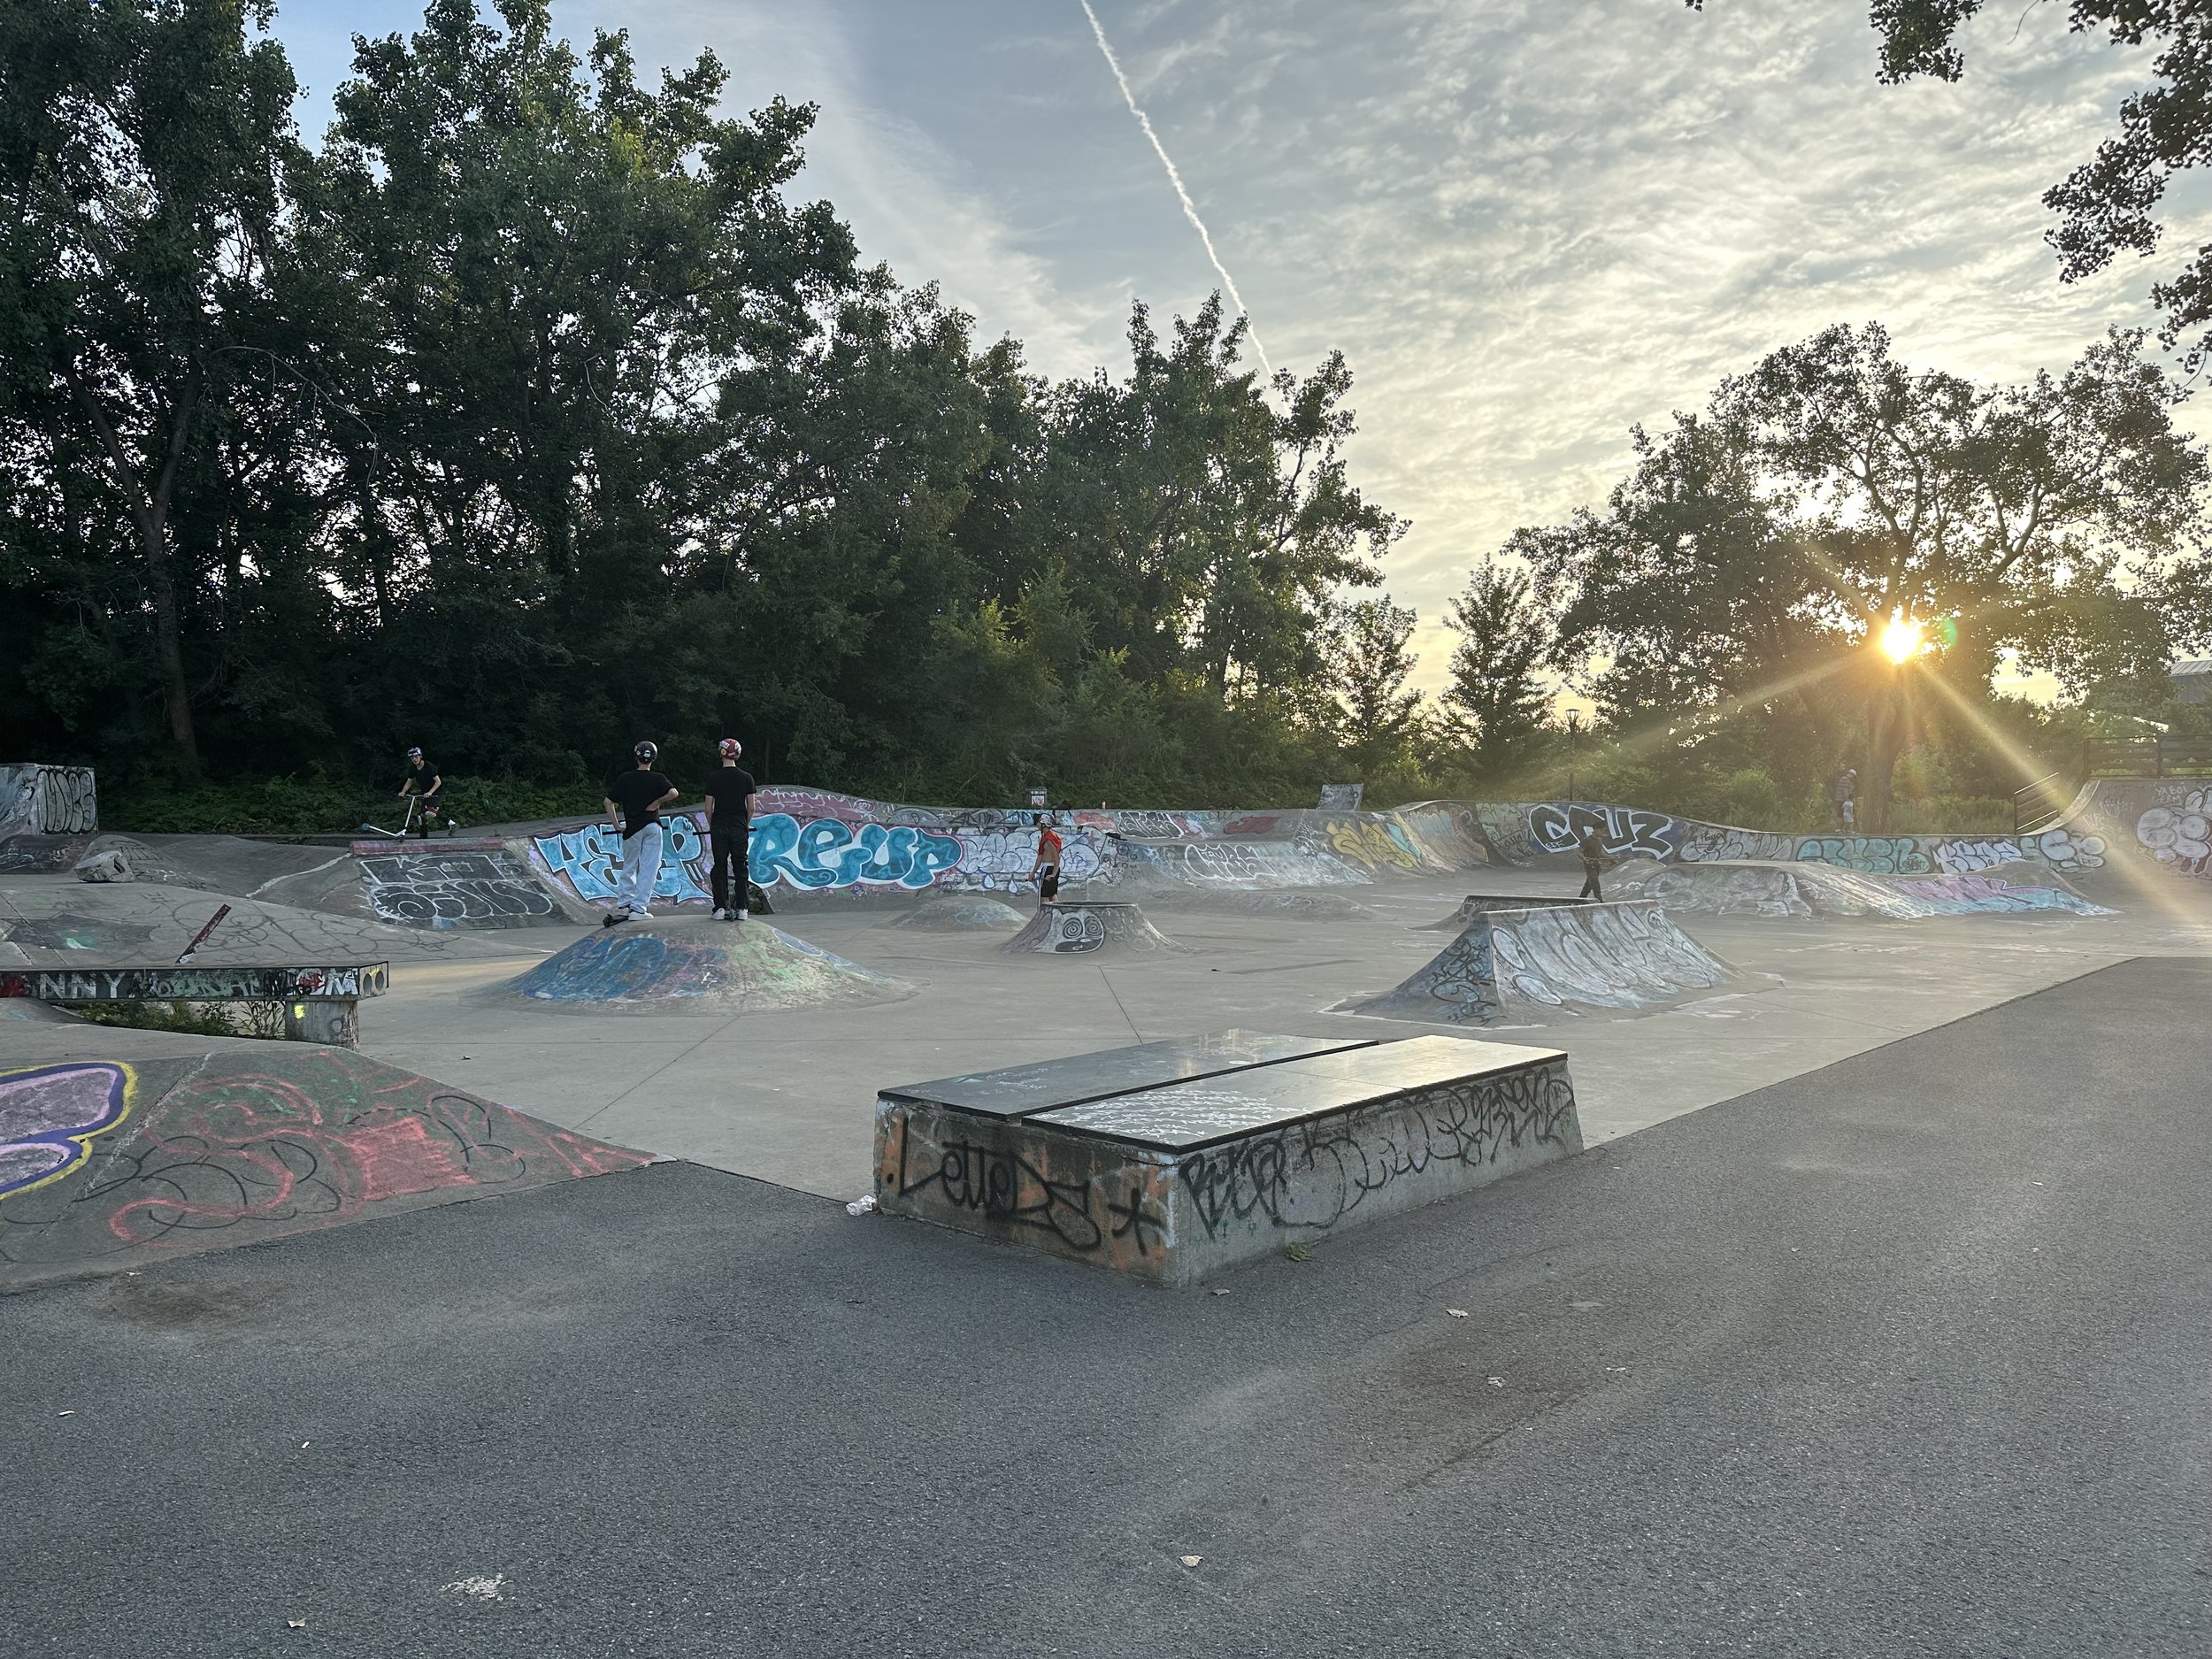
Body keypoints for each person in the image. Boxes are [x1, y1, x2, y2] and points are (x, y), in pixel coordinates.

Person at [601, 741, 679, 926]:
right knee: (649, 868)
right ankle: (638, 908)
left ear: (636, 757)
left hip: (632, 828)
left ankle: (624, 904)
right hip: (652, 826)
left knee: (629, 866)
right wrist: (657, 802)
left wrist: (617, 824)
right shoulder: (658, 778)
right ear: (654, 758)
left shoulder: (625, 778)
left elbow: (607, 801)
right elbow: (674, 793)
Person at [703, 738, 757, 921]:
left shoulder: (713, 778)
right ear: (738, 754)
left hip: (719, 826)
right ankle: (742, 908)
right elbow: (751, 807)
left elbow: (708, 809)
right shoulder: (747, 778)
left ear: (721, 753)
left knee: (720, 867)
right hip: (739, 826)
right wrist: (745, 823)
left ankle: (720, 907)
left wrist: (712, 825)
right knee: (741, 865)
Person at [397, 748, 447, 838]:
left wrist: (430, 792)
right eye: (412, 758)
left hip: (436, 791)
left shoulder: (429, 766)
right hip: (425, 793)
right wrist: (403, 792)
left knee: (429, 811)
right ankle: (423, 838)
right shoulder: (413, 769)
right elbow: (409, 782)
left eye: (416, 757)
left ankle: (451, 823)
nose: (414, 759)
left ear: (420, 756)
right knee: (421, 817)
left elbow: (438, 782)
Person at [1029, 816, 1064, 905]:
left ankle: (1047, 917)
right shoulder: (1045, 837)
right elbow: (1040, 856)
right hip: (1048, 867)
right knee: (1051, 895)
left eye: (1039, 823)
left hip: (1049, 867)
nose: (1037, 824)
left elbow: (1056, 856)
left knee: (1044, 898)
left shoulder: (1050, 837)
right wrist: (1033, 872)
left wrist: (1053, 873)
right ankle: (1057, 915)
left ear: (1044, 824)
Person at [1576, 822, 1605, 901]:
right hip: (1590, 866)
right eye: (1601, 830)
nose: (1602, 832)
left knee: (1588, 886)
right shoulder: (1587, 840)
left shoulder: (1599, 841)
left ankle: (1580, 901)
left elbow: (1601, 854)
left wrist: (1612, 857)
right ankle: (1600, 902)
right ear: (1596, 830)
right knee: (1596, 885)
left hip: (1597, 866)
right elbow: (1579, 853)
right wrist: (1584, 858)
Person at [1832, 768, 1859, 832]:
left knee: (1840, 814)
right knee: (1844, 815)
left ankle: (1839, 829)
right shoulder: (1846, 780)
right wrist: (1848, 800)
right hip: (1842, 799)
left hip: (1838, 799)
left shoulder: (1842, 778)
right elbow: (1845, 790)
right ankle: (1843, 829)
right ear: (1852, 775)